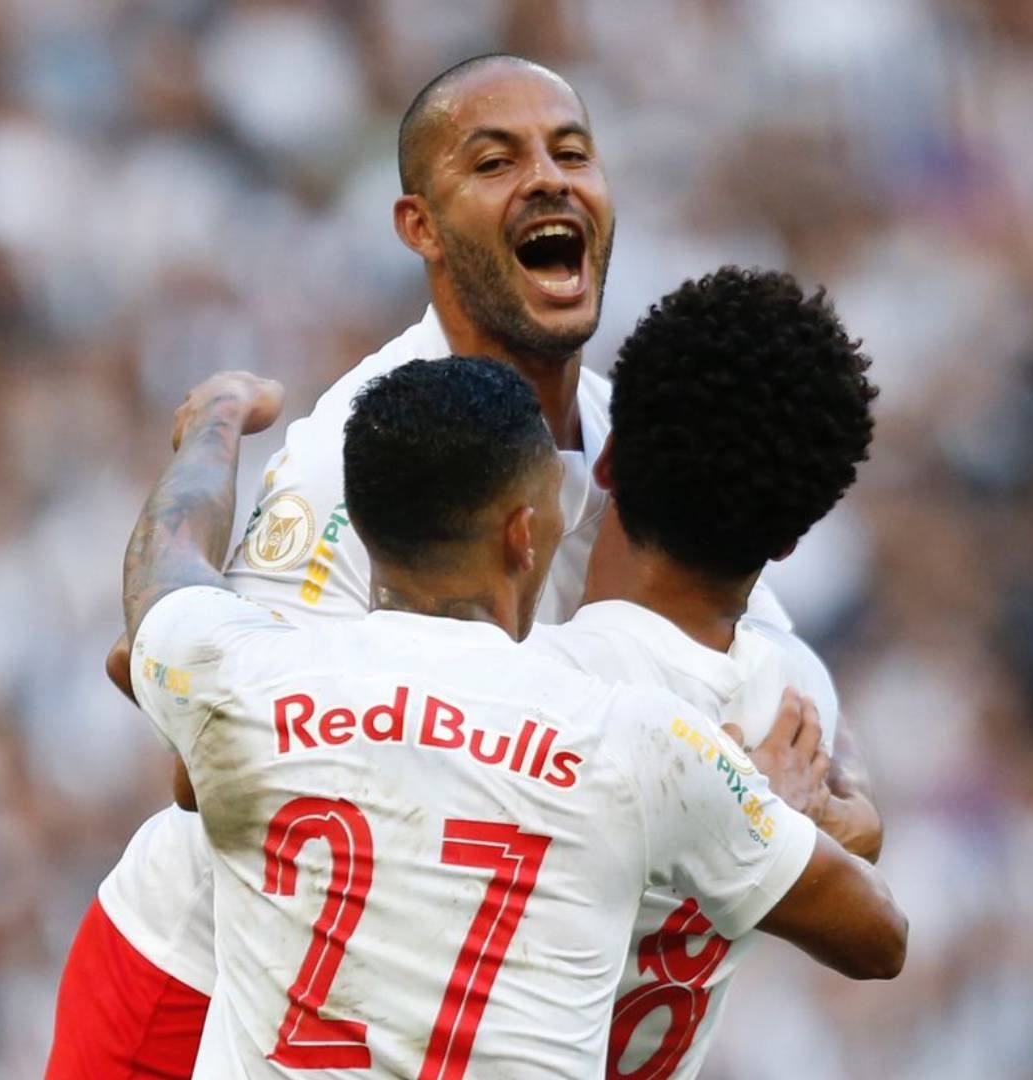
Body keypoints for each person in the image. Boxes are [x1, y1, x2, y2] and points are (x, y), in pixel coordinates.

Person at [46, 53, 878, 1076]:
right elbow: (201, 765)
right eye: (495, 160)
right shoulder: (349, 463)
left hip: (421, 1009)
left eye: (573, 152)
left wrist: (828, 810)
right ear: (420, 228)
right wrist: (735, 810)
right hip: (210, 986)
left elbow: (783, 694)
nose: (548, 178)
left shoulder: (646, 439)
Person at [125, 356, 905, 1078]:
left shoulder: (253, 682)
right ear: (524, 535)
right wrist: (769, 805)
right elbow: (878, 938)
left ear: (359, 528)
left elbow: (167, 571)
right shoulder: (641, 741)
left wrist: (219, 419)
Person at [526, 266, 881, 1077]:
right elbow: (864, 851)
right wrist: (782, 815)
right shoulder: (802, 702)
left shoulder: (529, 687)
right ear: (791, 540)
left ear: (605, 459)